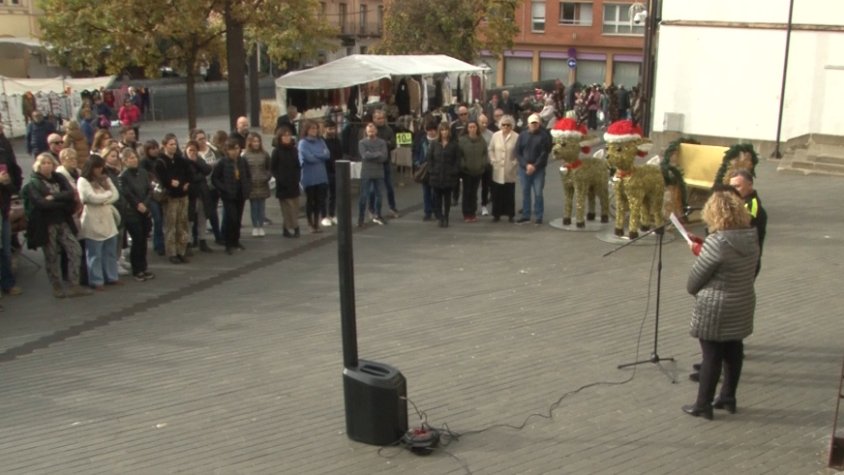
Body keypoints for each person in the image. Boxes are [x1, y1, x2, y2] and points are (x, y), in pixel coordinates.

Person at [682, 185, 759, 420]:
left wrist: (700, 249)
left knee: (712, 356)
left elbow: (694, 282)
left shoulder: (717, 242)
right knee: (734, 351)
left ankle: (702, 404)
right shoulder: (751, 237)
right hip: (742, 303)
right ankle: (728, 397)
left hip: (716, 308)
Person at [22, 154, 91, 298]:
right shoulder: (33, 183)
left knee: (75, 250)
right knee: (51, 255)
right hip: (46, 224)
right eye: (44, 163)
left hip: (63, 220)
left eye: (49, 163)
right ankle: (56, 285)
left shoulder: (59, 178)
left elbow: (70, 195)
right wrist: (61, 202)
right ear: (38, 166)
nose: (47, 165)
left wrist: (54, 197)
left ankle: (74, 284)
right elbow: (41, 203)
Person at [77, 154, 122, 290]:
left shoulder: (105, 178)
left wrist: (104, 198)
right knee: (94, 253)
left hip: (107, 217)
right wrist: (107, 195)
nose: (99, 170)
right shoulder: (83, 181)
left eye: (101, 167)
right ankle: (96, 280)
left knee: (110, 251)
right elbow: (91, 197)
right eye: (97, 167)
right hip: (92, 218)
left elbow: (116, 194)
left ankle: (112, 277)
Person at [154, 133, 193, 264]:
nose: (174, 147)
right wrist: (169, 182)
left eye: (175, 144)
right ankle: (172, 252)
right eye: (171, 144)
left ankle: (181, 250)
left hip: (183, 195)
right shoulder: (160, 161)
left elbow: (189, 173)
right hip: (170, 197)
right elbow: (160, 178)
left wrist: (187, 182)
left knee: (182, 224)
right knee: (171, 225)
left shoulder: (180, 159)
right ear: (165, 146)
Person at [118, 147, 155, 281]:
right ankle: (137, 269)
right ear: (125, 161)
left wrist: (145, 203)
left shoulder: (143, 172)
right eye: (131, 158)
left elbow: (149, 190)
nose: (134, 160)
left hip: (144, 210)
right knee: (137, 239)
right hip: (132, 212)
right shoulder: (123, 176)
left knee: (144, 240)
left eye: (135, 157)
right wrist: (138, 204)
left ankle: (144, 267)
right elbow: (127, 193)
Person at [212, 138, 251, 254]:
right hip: (229, 195)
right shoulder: (222, 162)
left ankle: (236, 240)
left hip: (240, 193)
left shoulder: (242, 161)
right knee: (231, 219)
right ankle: (228, 243)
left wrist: (247, 187)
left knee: (238, 219)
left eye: (237, 149)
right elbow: (215, 178)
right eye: (232, 149)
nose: (235, 151)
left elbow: (248, 175)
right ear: (227, 150)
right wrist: (224, 188)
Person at [0, 120, 23, 297]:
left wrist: (11, 184)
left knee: (6, 250)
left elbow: (14, 170)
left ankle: (7, 283)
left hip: (4, 206)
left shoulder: (4, 145)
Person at [729, 169, 767, 276]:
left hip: (745, 262)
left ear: (750, 185)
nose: (733, 191)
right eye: (731, 187)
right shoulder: (739, 203)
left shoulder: (752, 206)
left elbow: (736, 233)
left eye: (737, 186)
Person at [515, 113, 551, 225]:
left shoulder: (544, 136)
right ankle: (526, 215)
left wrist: (535, 166)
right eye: (532, 123)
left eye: (536, 123)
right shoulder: (522, 135)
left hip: (538, 169)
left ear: (539, 124)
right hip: (524, 168)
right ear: (528, 124)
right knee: (525, 192)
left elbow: (544, 153)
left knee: (538, 193)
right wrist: (526, 165)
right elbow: (517, 152)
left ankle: (539, 215)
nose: (534, 125)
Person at [298, 120, 330, 233]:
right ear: (307, 130)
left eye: (316, 128)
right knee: (310, 200)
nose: (314, 130)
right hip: (309, 176)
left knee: (319, 201)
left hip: (321, 175)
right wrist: (320, 155)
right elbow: (308, 158)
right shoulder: (303, 143)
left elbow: (327, 155)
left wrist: (316, 155)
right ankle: (310, 223)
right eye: (312, 128)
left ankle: (317, 223)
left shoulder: (321, 141)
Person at [427, 123, 461, 228]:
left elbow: (457, 160)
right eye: (442, 130)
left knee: (447, 198)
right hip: (436, 175)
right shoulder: (434, 144)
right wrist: (431, 170)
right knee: (437, 198)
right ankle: (440, 217)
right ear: (439, 131)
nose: (444, 132)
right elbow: (430, 158)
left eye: (446, 130)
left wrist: (454, 171)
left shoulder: (454, 144)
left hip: (449, 175)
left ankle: (446, 217)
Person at [270, 126, 301, 238]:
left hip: (294, 183)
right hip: (283, 185)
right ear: (280, 137)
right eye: (284, 136)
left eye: (289, 135)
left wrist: (298, 177)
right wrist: (279, 178)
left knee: (295, 207)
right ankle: (295, 227)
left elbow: (298, 166)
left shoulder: (294, 150)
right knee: (288, 208)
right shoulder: (277, 151)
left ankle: (286, 228)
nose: (287, 138)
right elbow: (272, 168)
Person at [183, 140, 213, 252]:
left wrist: (195, 162)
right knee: (189, 220)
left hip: (201, 194)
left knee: (202, 218)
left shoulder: (199, 160)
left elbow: (207, 169)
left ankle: (202, 240)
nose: (192, 152)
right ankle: (188, 242)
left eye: (194, 150)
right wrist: (200, 176)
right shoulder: (183, 162)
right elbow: (190, 177)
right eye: (190, 150)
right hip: (190, 195)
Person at [487, 115, 519, 222]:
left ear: (512, 126)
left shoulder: (516, 136)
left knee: (509, 193)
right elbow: (490, 149)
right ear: (500, 125)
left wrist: (515, 162)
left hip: (510, 169)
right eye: (503, 124)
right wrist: (493, 160)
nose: (505, 127)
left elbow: (519, 152)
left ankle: (510, 215)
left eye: (508, 125)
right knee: (497, 193)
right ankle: (496, 215)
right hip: (498, 169)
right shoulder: (495, 135)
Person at [357, 123, 389, 227]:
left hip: (379, 172)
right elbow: (364, 155)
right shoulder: (362, 142)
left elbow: (384, 157)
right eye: (369, 131)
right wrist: (377, 154)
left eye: (373, 130)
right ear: (366, 132)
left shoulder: (382, 142)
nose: (371, 132)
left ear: (376, 131)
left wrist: (371, 155)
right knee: (364, 196)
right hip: (366, 173)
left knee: (379, 195)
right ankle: (361, 218)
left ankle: (378, 215)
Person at [240, 132, 271, 237]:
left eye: (258, 141)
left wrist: (267, 176)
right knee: (254, 207)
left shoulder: (264, 154)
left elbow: (269, 168)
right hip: (252, 185)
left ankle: (260, 226)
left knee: (261, 207)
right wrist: (248, 181)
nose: (256, 143)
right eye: (254, 141)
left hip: (262, 184)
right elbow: (243, 171)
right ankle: (255, 226)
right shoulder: (245, 156)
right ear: (250, 143)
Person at [458, 121, 488, 222]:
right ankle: (466, 213)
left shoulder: (481, 140)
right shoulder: (462, 140)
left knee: (474, 193)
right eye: (470, 127)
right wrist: (463, 165)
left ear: (477, 128)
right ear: (467, 128)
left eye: (474, 127)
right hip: (466, 171)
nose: (472, 129)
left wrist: (483, 163)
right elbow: (459, 154)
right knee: (467, 192)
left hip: (478, 170)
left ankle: (473, 213)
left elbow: (485, 153)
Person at [141, 139, 166, 255]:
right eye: (152, 149)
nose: (155, 150)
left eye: (156, 148)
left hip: (161, 192)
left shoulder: (160, 160)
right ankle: (158, 244)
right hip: (151, 195)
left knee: (162, 219)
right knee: (157, 219)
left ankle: (162, 242)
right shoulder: (144, 162)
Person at [373, 110, 399, 218]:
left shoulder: (388, 130)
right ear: (374, 119)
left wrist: (382, 144)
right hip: (374, 163)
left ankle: (392, 208)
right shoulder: (371, 129)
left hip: (386, 161)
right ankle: (373, 210)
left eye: (382, 118)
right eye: (378, 118)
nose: (381, 120)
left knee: (389, 186)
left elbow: (393, 144)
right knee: (374, 188)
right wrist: (384, 143)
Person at [412, 120, 439, 221]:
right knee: (426, 191)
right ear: (426, 130)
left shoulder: (439, 140)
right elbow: (416, 152)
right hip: (424, 168)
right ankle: (428, 212)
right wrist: (417, 163)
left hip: (436, 169)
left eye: (433, 130)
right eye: (429, 130)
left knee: (436, 192)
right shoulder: (422, 140)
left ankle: (436, 210)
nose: (431, 132)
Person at [322, 119, 342, 226]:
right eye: (330, 129)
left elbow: (339, 154)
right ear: (325, 129)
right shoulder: (321, 141)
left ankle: (332, 214)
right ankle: (324, 216)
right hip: (324, 170)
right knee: (324, 194)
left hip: (334, 170)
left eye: (334, 128)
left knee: (333, 194)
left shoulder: (336, 140)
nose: (332, 131)